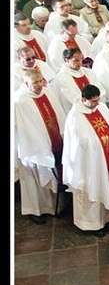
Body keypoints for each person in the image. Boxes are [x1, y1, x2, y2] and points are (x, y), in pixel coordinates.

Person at [62, 84, 109, 236]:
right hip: (90, 165)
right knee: (94, 188)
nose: (96, 103)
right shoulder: (75, 116)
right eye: (93, 101)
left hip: (108, 157)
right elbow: (79, 143)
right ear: (83, 99)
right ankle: (92, 224)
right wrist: (96, 145)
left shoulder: (101, 108)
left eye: (98, 100)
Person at [14, 68, 66, 224]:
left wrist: (62, 134)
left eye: (40, 81)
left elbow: (58, 113)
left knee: (52, 174)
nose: (38, 85)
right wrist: (42, 146)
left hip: (52, 142)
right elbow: (25, 128)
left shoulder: (47, 92)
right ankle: (35, 211)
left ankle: (54, 208)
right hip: (33, 148)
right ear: (26, 83)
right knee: (34, 181)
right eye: (34, 82)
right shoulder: (20, 100)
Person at [51, 47, 106, 116]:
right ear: (67, 60)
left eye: (81, 60)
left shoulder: (88, 72)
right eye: (76, 60)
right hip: (79, 114)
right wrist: (89, 104)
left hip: (97, 108)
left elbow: (100, 90)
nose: (80, 63)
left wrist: (96, 102)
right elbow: (73, 98)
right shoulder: (61, 78)